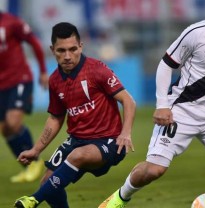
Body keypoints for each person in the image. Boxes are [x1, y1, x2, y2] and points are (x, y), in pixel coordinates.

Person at [98, 0, 205, 207]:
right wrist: (162, 105)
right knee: (154, 170)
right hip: (181, 110)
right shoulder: (197, 33)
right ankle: (119, 198)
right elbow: (166, 65)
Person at [13, 22, 136, 208]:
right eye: (61, 51)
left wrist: (125, 133)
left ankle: (33, 200)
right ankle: (42, 195)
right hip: (77, 140)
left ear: (81, 46)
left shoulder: (97, 70)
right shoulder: (55, 80)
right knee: (48, 183)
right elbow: (55, 118)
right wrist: (36, 150)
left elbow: (128, 101)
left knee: (77, 156)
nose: (68, 56)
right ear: (52, 49)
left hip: (108, 141)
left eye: (72, 49)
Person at [0, 11, 48, 183]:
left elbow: (34, 43)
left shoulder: (12, 22)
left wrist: (43, 71)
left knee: (13, 122)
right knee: (5, 129)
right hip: (1, 85)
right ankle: (28, 166)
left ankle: (35, 161)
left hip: (19, 79)